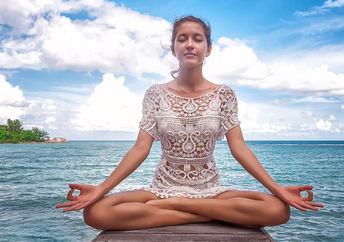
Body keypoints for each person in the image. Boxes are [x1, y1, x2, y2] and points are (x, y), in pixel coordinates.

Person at [55, 15, 324, 230]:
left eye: (197, 39)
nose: (190, 44)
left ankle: (182, 207)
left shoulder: (224, 94)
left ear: (208, 48)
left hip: (211, 189)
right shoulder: (155, 94)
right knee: (96, 213)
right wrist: (102, 188)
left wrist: (277, 189)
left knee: (278, 209)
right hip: (161, 190)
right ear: (174, 48)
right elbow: (140, 148)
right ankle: (208, 215)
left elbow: (239, 147)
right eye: (182, 39)